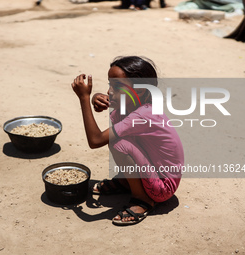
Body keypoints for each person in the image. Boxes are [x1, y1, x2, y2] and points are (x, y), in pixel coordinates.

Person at [71, 56, 184, 226]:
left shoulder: (143, 115)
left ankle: (142, 200)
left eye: (116, 86)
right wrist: (96, 97)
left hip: (162, 188)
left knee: (118, 143)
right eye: (110, 84)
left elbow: (95, 140)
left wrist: (84, 98)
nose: (109, 91)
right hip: (153, 172)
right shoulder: (131, 106)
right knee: (119, 136)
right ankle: (127, 181)